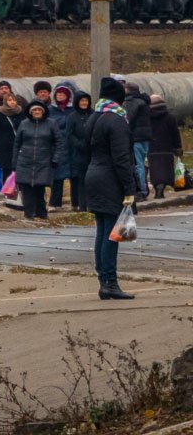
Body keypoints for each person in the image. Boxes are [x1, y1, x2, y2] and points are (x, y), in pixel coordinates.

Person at [86, 76, 137, 300]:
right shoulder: (116, 120)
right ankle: (110, 282)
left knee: (102, 231)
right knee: (113, 234)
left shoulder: (94, 117)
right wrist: (130, 187)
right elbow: (121, 158)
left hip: (93, 175)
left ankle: (103, 280)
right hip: (110, 179)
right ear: (119, 97)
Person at [13, 100, 59, 221]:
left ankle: (41, 212)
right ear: (30, 112)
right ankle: (29, 213)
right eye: (34, 110)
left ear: (43, 112)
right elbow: (17, 144)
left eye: (39, 110)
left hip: (43, 160)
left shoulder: (51, 124)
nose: (37, 112)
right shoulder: (24, 124)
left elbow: (59, 142)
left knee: (39, 187)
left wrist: (56, 158)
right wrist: (15, 162)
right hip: (25, 161)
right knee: (27, 188)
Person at [47, 83, 77, 210]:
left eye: (62, 94)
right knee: (57, 176)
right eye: (58, 93)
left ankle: (76, 203)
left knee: (75, 176)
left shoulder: (73, 110)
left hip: (72, 146)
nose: (60, 96)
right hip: (57, 146)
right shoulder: (50, 110)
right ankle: (54, 203)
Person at [148, 93, 183, 199]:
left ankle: (157, 187)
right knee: (166, 169)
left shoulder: (147, 117)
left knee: (154, 170)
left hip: (152, 148)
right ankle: (162, 187)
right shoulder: (170, 117)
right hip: (167, 148)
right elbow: (175, 133)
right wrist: (178, 147)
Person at [123, 82, 153, 201]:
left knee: (137, 165)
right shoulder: (143, 101)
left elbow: (128, 119)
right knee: (142, 164)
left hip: (136, 137)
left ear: (128, 90)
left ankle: (141, 190)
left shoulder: (132, 102)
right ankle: (144, 188)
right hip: (145, 136)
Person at [67, 92, 95, 211]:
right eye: (82, 101)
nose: (84, 103)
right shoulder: (72, 116)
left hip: (93, 152)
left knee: (93, 180)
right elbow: (69, 134)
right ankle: (82, 205)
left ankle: (93, 204)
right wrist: (79, 144)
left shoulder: (93, 114)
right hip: (79, 153)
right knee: (81, 180)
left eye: (86, 101)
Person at [0, 92, 24, 185]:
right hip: (5, 149)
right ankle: (8, 193)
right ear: (5, 102)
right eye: (10, 100)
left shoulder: (21, 113)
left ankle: (20, 193)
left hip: (20, 147)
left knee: (20, 171)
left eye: (14, 100)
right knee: (7, 172)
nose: (12, 102)